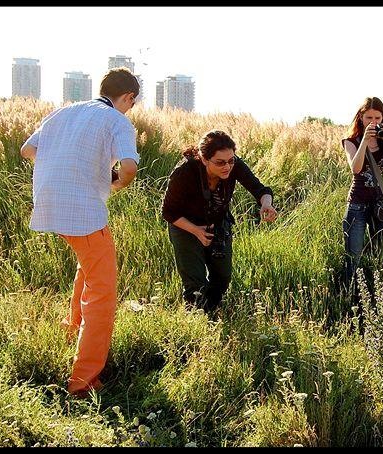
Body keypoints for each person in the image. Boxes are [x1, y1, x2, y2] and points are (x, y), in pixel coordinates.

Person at [20, 67, 140, 397]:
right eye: (132, 103)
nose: (130, 109)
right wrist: (114, 183)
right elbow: (129, 167)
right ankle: (83, 381)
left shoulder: (64, 111)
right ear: (128, 97)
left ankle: (71, 329)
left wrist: (61, 170)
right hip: (83, 212)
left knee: (87, 266)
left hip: (48, 205)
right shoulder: (117, 120)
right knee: (103, 293)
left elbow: (27, 150)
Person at [161, 130, 277, 313]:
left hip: (218, 222)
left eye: (230, 160)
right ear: (204, 159)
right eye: (220, 162)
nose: (227, 167)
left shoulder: (233, 164)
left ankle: (212, 312)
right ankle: (197, 320)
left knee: (223, 277)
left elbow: (260, 189)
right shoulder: (184, 172)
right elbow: (168, 212)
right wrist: (197, 231)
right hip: (184, 225)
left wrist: (266, 205)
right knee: (195, 283)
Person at [340, 97, 383, 293]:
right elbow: (355, 169)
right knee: (353, 257)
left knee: (382, 257)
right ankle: (351, 296)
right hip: (357, 204)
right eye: (368, 117)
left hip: (380, 206)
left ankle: (382, 296)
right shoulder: (351, 141)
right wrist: (365, 140)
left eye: (377, 117)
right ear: (360, 118)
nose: (373, 122)